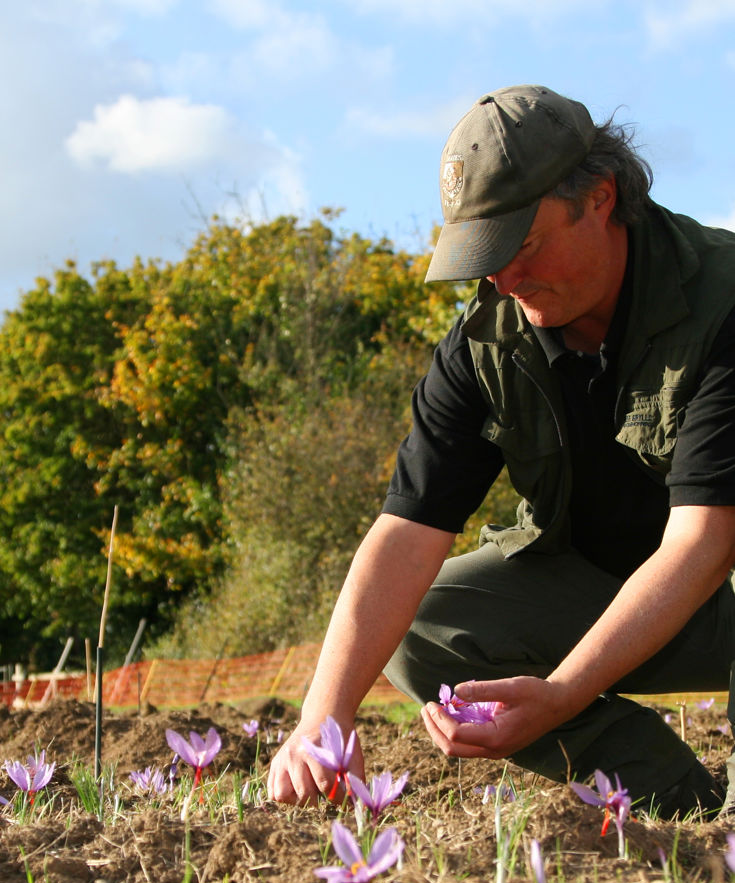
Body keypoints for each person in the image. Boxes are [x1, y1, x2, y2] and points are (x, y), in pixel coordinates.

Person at [267, 84, 735, 817]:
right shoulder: (485, 340)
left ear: (600, 197)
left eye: (520, 244)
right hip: (620, 597)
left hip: (717, 584)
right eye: (483, 256)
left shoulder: (722, 303)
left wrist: (562, 693)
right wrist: (322, 720)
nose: (502, 281)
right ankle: (682, 805)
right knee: (427, 630)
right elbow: (405, 532)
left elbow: (704, 543)